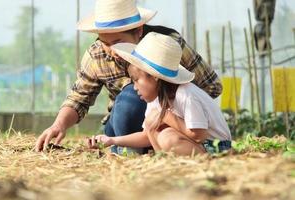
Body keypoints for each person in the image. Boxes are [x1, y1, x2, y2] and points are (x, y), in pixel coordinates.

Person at [35, 0, 223, 154]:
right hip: (123, 124)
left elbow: (211, 87)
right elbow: (79, 98)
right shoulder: (96, 55)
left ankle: (140, 149)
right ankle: (126, 148)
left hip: (170, 127)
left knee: (133, 97)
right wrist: (58, 125)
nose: (112, 50)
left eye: (117, 42)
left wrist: (172, 110)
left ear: (139, 30)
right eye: (104, 42)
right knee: (129, 99)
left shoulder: (167, 46)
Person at [88, 32, 232, 155]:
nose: (134, 87)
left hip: (216, 146)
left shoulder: (185, 94)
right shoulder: (155, 100)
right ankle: (165, 159)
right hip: (194, 144)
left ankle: (202, 160)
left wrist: (165, 116)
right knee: (157, 129)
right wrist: (112, 140)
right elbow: (146, 136)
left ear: (154, 76)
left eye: (137, 80)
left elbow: (199, 135)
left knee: (167, 137)